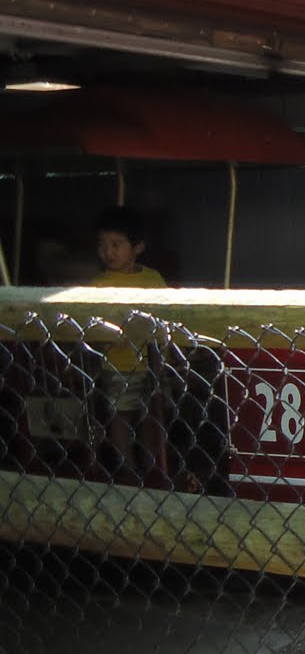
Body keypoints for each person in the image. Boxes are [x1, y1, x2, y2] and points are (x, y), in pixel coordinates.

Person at [88, 206, 167, 482]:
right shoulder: (99, 284)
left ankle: (153, 466)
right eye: (102, 245)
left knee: (150, 417)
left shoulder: (153, 279)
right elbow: (93, 324)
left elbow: (165, 317)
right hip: (117, 364)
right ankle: (127, 471)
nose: (108, 252)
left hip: (153, 363)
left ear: (138, 247)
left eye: (116, 244)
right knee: (121, 416)